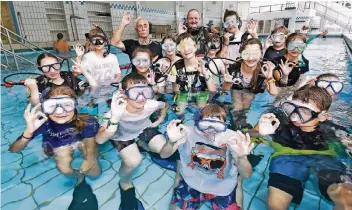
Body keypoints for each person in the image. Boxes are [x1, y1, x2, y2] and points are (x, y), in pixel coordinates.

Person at [249, 85, 351, 210]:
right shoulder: (276, 120)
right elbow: (249, 135)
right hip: (287, 156)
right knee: (275, 205)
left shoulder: (333, 130)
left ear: (322, 116)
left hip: (324, 158)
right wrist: (260, 132)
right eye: (291, 108)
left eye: (304, 112)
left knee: (347, 200)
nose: (294, 117)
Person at [95, 73, 170, 210]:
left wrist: (160, 119)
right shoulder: (114, 113)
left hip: (142, 129)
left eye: (145, 91)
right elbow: (99, 140)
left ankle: (141, 144)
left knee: (163, 149)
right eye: (135, 92)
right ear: (123, 93)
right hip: (122, 136)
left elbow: (165, 105)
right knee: (134, 161)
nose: (141, 98)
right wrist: (115, 119)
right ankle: (124, 181)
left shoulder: (150, 104)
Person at [159, 104, 254, 210]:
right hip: (191, 183)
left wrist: (242, 157)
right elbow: (163, 155)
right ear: (198, 122)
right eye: (206, 124)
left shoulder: (233, 139)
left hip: (222, 188)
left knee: (238, 178)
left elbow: (246, 175)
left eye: (217, 125)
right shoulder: (186, 133)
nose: (211, 129)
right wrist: (171, 142)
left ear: (224, 124)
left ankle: (237, 183)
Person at [9, 86, 101, 181]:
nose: (60, 111)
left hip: (80, 142)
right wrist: (28, 132)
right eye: (52, 106)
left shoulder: (88, 121)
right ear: (45, 109)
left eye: (67, 105)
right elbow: (13, 150)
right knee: (65, 169)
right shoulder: (42, 123)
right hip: (56, 147)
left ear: (75, 106)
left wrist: (88, 161)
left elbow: (90, 145)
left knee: (94, 173)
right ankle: (78, 177)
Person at [223, 38, 278, 129]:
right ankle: (237, 124)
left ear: (261, 54)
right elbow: (225, 90)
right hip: (236, 91)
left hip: (253, 93)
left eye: (255, 53)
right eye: (247, 54)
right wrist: (227, 83)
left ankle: (241, 122)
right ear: (241, 54)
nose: (251, 58)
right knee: (237, 105)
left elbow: (274, 93)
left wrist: (269, 77)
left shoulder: (264, 69)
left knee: (247, 99)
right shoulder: (233, 68)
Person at [170, 33, 217, 117]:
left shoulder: (205, 64)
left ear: (195, 47)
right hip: (184, 94)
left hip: (201, 93)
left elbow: (213, 91)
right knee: (179, 111)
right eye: (182, 47)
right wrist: (174, 81)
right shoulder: (176, 67)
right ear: (178, 50)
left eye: (189, 45)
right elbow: (176, 91)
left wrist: (204, 73)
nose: (186, 49)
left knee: (202, 109)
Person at [24, 53, 97, 105]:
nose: (52, 71)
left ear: (60, 65)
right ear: (40, 69)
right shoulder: (39, 83)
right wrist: (33, 88)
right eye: (46, 67)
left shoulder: (69, 77)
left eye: (56, 66)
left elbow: (94, 87)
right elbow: (36, 105)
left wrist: (83, 71)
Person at [81, 27, 122, 104]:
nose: (97, 42)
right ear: (91, 42)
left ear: (105, 41)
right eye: (94, 40)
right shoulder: (88, 57)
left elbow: (118, 74)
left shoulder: (113, 57)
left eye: (100, 39)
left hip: (109, 91)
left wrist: (113, 83)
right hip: (95, 92)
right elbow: (79, 73)